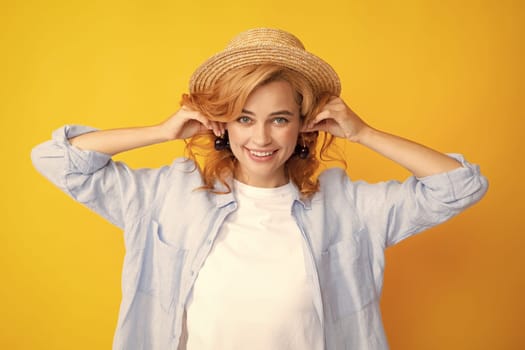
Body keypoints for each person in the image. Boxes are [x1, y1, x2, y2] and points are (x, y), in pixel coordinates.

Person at [31, 28, 488, 350]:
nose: (262, 138)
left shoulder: (350, 207)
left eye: (280, 119)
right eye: (244, 119)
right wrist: (160, 130)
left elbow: (460, 185)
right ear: (223, 125)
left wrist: (364, 132)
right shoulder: (165, 197)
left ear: (304, 127)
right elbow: (54, 159)